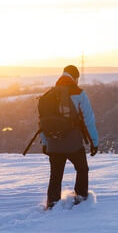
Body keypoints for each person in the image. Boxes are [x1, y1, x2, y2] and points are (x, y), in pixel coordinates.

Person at [41, 64, 99, 208]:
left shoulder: (48, 95)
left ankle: (52, 204)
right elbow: (88, 119)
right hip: (73, 143)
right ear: (75, 77)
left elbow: (42, 123)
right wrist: (94, 142)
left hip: (53, 143)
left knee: (55, 175)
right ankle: (81, 199)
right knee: (82, 169)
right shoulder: (78, 93)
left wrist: (44, 143)